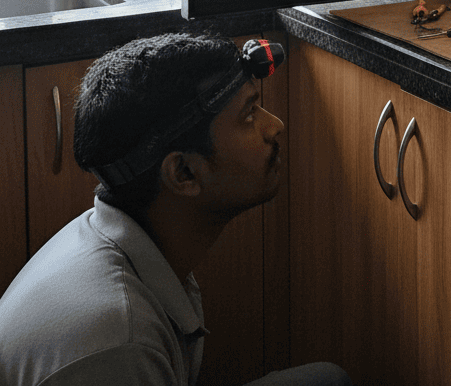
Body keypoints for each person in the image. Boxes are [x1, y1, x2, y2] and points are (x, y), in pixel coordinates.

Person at [0, 32, 352, 386]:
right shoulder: (119, 346)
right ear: (183, 173)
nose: (275, 125)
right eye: (248, 115)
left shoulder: (134, 240)